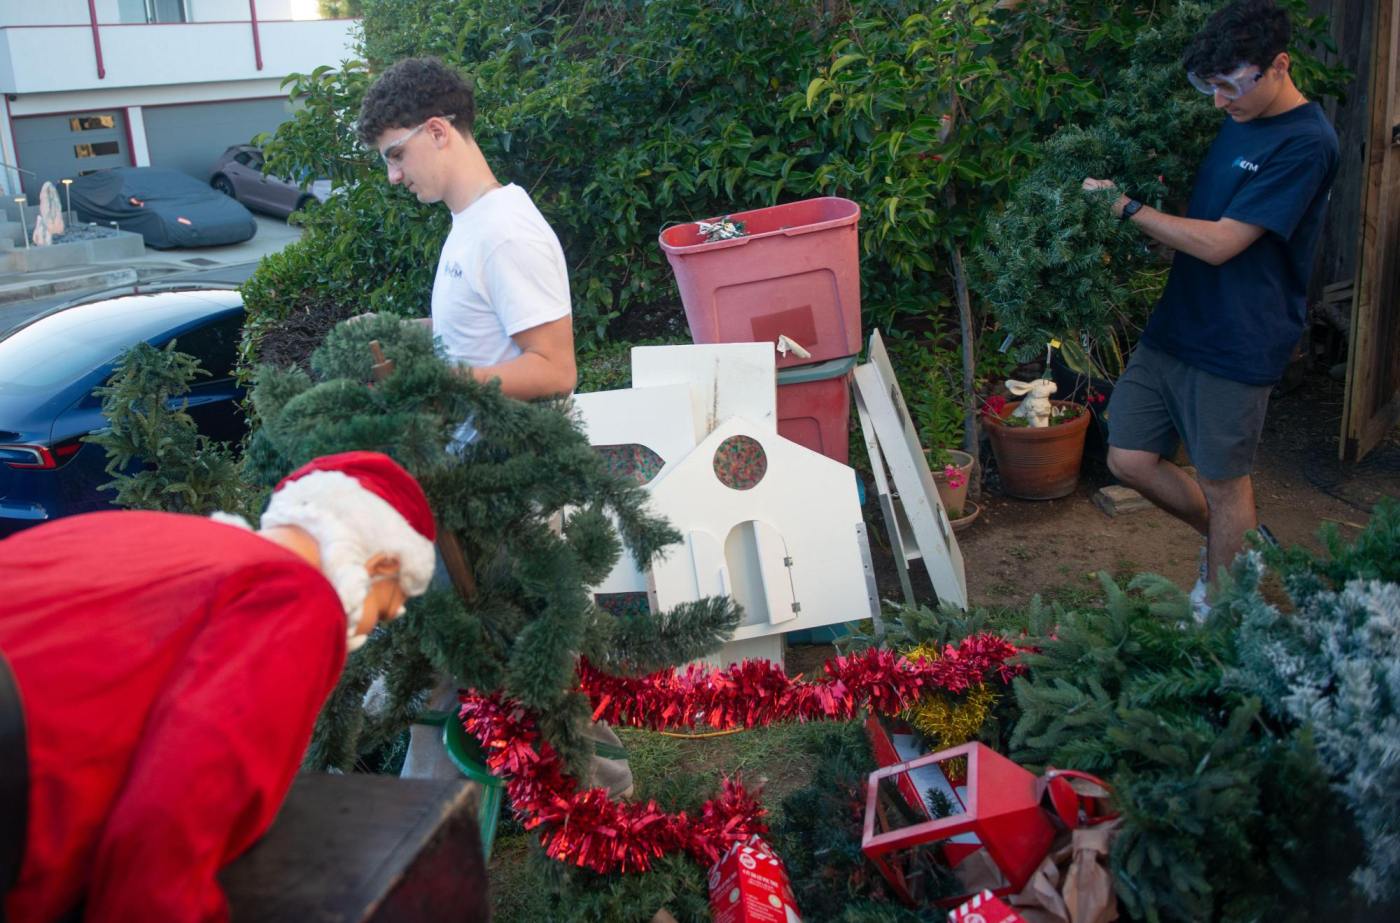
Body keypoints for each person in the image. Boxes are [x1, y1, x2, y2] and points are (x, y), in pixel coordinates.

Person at [0, 451, 438, 923]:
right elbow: (173, 817)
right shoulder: (299, 596)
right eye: (385, 609)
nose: (371, 628)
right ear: (378, 566)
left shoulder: (159, 534)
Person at [1081, 0, 1338, 614]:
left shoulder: (1306, 143)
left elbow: (1223, 243)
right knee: (1129, 457)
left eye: (1230, 85)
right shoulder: (1240, 114)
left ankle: (1220, 624)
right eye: (1209, 86)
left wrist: (1127, 208)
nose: (1219, 101)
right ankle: (1245, 549)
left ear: (1280, 65)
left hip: (1238, 337)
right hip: (1179, 321)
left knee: (1224, 484)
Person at [355, 56, 577, 401]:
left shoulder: (505, 232)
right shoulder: (473, 222)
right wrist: (393, 332)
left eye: (397, 155)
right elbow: (473, 333)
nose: (393, 176)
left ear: (437, 131)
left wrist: (437, 382)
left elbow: (556, 372)